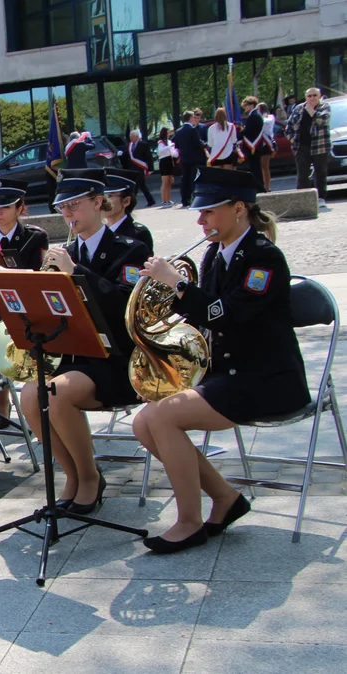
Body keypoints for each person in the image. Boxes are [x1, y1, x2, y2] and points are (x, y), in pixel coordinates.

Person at [133, 168, 307, 554]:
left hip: (266, 379)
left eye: (209, 211)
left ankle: (189, 521)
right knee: (144, 422)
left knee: (162, 416)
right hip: (229, 376)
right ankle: (225, 498)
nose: (201, 220)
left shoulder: (265, 257)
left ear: (239, 209)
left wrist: (177, 285)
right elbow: (199, 317)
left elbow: (226, 314)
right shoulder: (215, 254)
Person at [18, 169, 149, 516]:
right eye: (63, 209)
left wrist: (75, 273)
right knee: (30, 395)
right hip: (74, 359)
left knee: (55, 393)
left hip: (115, 361)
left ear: (97, 202)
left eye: (74, 206)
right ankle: (73, 475)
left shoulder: (130, 249)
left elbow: (124, 305)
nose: (68, 215)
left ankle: (90, 478)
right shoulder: (65, 252)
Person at [0, 179, 48, 424]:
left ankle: (4, 405)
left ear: (19, 209)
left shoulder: (35, 237)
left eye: (5, 208)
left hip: (24, 307)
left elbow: (39, 276)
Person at [284, 87, 331, 209]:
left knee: (320, 173)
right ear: (306, 97)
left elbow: (324, 121)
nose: (312, 98)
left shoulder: (324, 107)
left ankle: (320, 198)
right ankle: (301, 199)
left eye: (315, 95)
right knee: (302, 175)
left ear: (319, 96)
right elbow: (288, 127)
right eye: (309, 96)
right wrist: (291, 138)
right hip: (301, 146)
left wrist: (312, 112)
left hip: (319, 146)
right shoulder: (299, 108)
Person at [103, 168, 156, 254]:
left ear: (126, 201)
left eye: (109, 196)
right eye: (101, 196)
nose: (103, 201)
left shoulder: (138, 234)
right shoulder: (99, 231)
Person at [173, 111, 208, 208]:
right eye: (193, 117)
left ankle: (185, 199)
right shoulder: (193, 129)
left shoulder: (178, 131)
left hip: (184, 158)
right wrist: (205, 145)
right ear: (190, 118)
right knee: (194, 179)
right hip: (195, 158)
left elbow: (177, 145)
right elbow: (198, 142)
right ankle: (194, 198)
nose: (194, 118)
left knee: (185, 179)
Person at [240, 96, 271, 192]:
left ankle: (259, 187)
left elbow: (249, 130)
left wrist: (238, 133)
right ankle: (259, 186)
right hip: (255, 146)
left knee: (255, 168)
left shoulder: (254, 116)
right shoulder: (255, 115)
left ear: (251, 105)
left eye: (246, 105)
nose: (245, 108)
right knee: (255, 167)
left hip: (253, 146)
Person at [120, 130, 157, 207]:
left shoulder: (143, 144)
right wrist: (121, 154)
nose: (130, 138)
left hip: (140, 168)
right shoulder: (130, 145)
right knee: (138, 186)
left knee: (138, 185)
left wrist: (150, 169)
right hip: (132, 168)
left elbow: (148, 157)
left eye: (132, 136)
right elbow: (126, 155)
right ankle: (149, 200)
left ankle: (133, 203)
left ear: (136, 136)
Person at [157, 128, 177, 208]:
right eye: (168, 132)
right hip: (164, 161)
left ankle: (168, 200)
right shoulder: (161, 142)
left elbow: (173, 153)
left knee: (169, 182)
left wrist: (177, 151)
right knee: (165, 182)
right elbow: (160, 151)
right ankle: (164, 201)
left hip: (169, 161)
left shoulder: (169, 141)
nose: (169, 134)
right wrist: (169, 146)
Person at [259, 102, 276, 192]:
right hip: (259, 143)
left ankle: (267, 187)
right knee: (261, 167)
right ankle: (263, 185)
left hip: (266, 143)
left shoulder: (270, 117)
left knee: (265, 166)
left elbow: (265, 123)